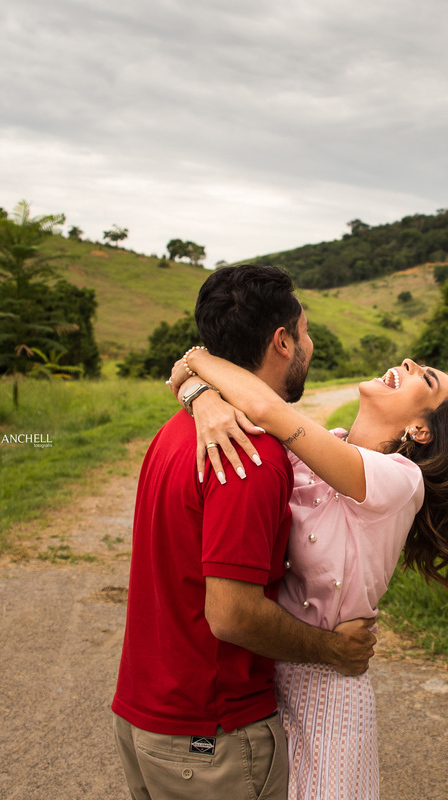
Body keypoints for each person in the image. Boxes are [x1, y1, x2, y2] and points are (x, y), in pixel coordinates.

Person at [169, 341, 448, 800]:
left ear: (420, 429)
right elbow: (227, 398)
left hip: (330, 688)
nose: (408, 362)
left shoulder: (399, 480)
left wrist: (196, 359)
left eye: (427, 377)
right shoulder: (317, 450)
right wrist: (201, 396)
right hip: (264, 673)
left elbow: (261, 403)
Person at [112, 265, 378, 800]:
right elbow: (230, 613)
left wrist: (196, 385)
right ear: (282, 341)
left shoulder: (181, 426)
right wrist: (332, 649)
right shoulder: (249, 452)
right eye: (304, 332)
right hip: (210, 735)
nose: (310, 342)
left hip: (148, 714)